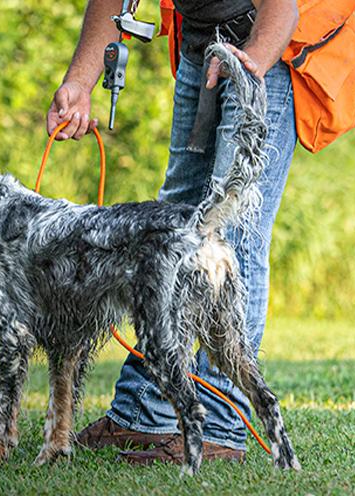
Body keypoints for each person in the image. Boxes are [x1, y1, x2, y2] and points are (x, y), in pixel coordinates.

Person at [46, 0, 299, 464]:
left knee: (232, 237)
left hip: (271, 52)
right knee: (170, 231)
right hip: (202, 48)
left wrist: (250, 66)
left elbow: (283, 7)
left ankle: (222, 425)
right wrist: (79, 83)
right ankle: (144, 415)